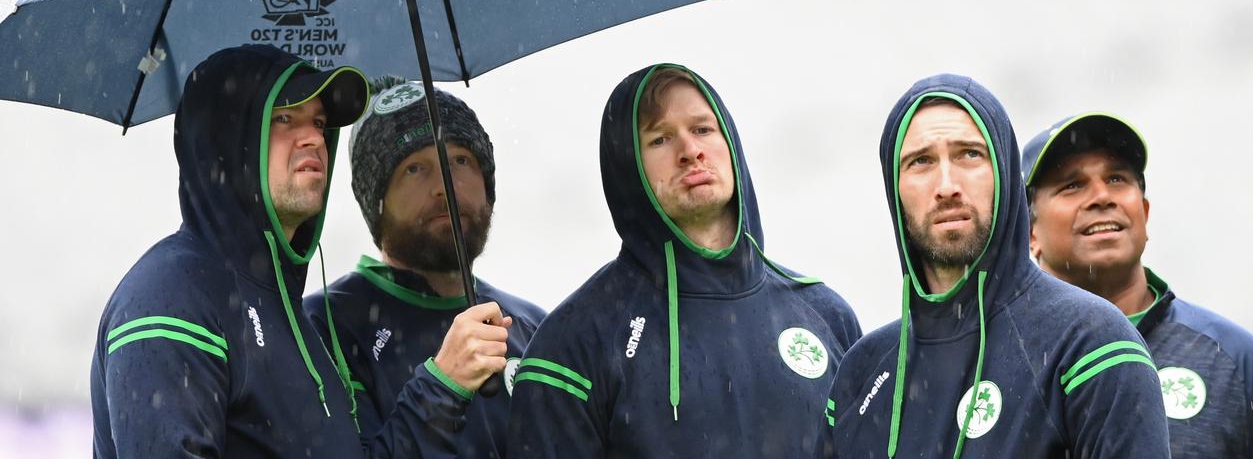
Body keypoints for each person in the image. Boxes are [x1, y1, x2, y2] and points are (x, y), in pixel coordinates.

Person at [90, 45, 473, 458]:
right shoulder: (170, 297)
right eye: (285, 119)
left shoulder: (295, 317)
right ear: (228, 141)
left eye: (320, 122)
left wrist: (440, 389)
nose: (314, 138)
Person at [507, 64, 862, 458]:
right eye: (660, 139)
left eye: (703, 129)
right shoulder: (572, 344)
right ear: (627, 167)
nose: (690, 151)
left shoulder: (827, 314)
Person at [825, 74, 1169, 458]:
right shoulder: (862, 373)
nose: (947, 185)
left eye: (969, 154)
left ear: (1004, 173)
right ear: (895, 189)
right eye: (920, 161)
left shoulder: (1090, 341)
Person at [304, 77, 545, 457]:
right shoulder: (323, 326)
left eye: (460, 160)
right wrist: (443, 386)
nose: (444, 184)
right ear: (377, 204)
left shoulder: (536, 329)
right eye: (415, 168)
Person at [1023, 111, 1253, 458]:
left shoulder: (1237, 361)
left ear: (1144, 212)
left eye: (1116, 179)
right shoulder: (993, 364)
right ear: (1030, 233)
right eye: (1072, 184)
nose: (1101, 196)